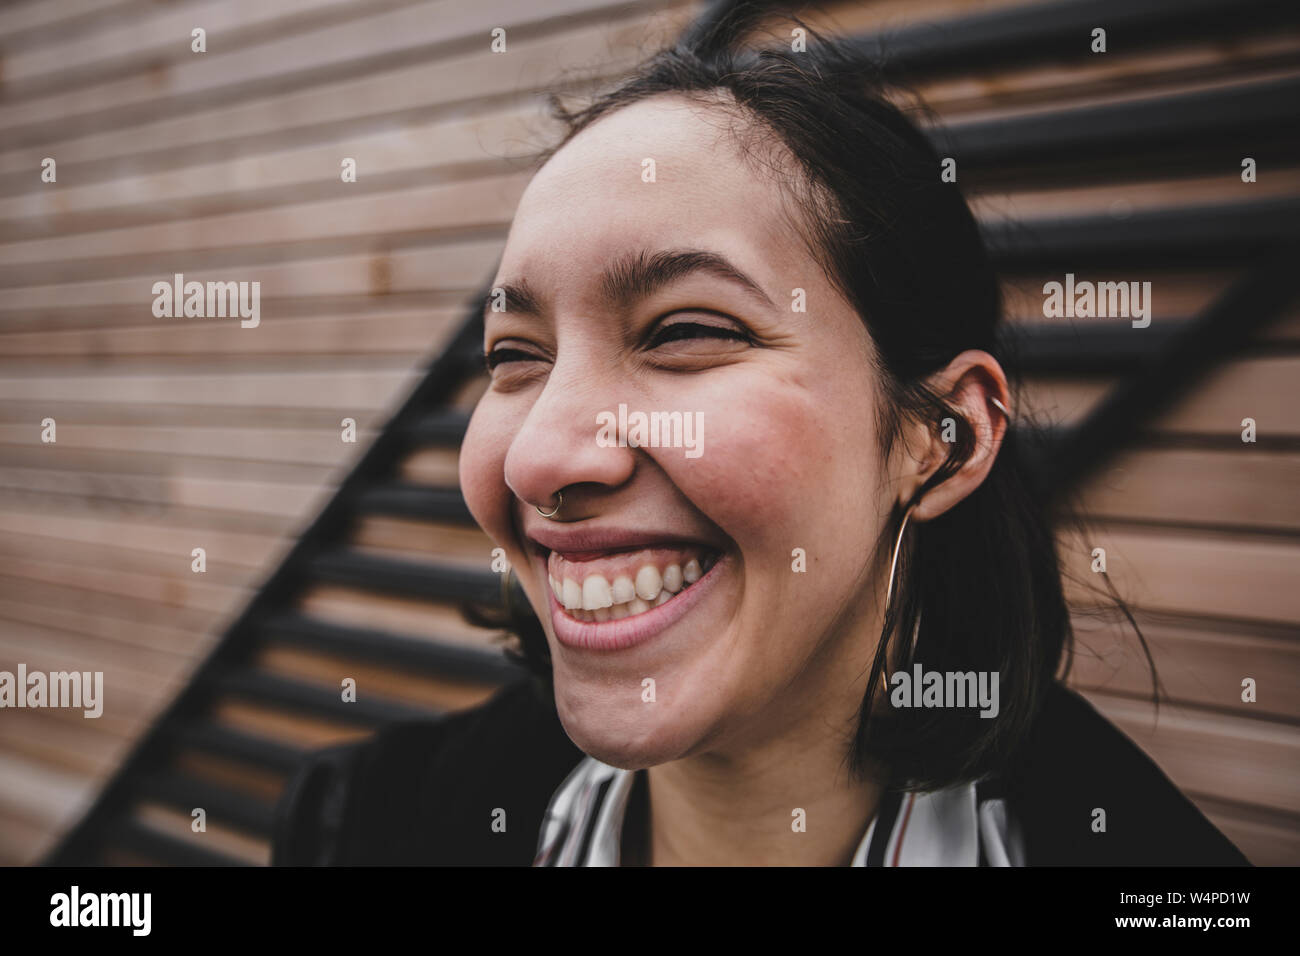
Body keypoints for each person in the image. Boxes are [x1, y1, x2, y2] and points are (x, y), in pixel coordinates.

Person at [272, 12, 1247, 867]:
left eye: (686, 330)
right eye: (515, 353)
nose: (540, 457)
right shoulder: (357, 826)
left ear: (937, 439)